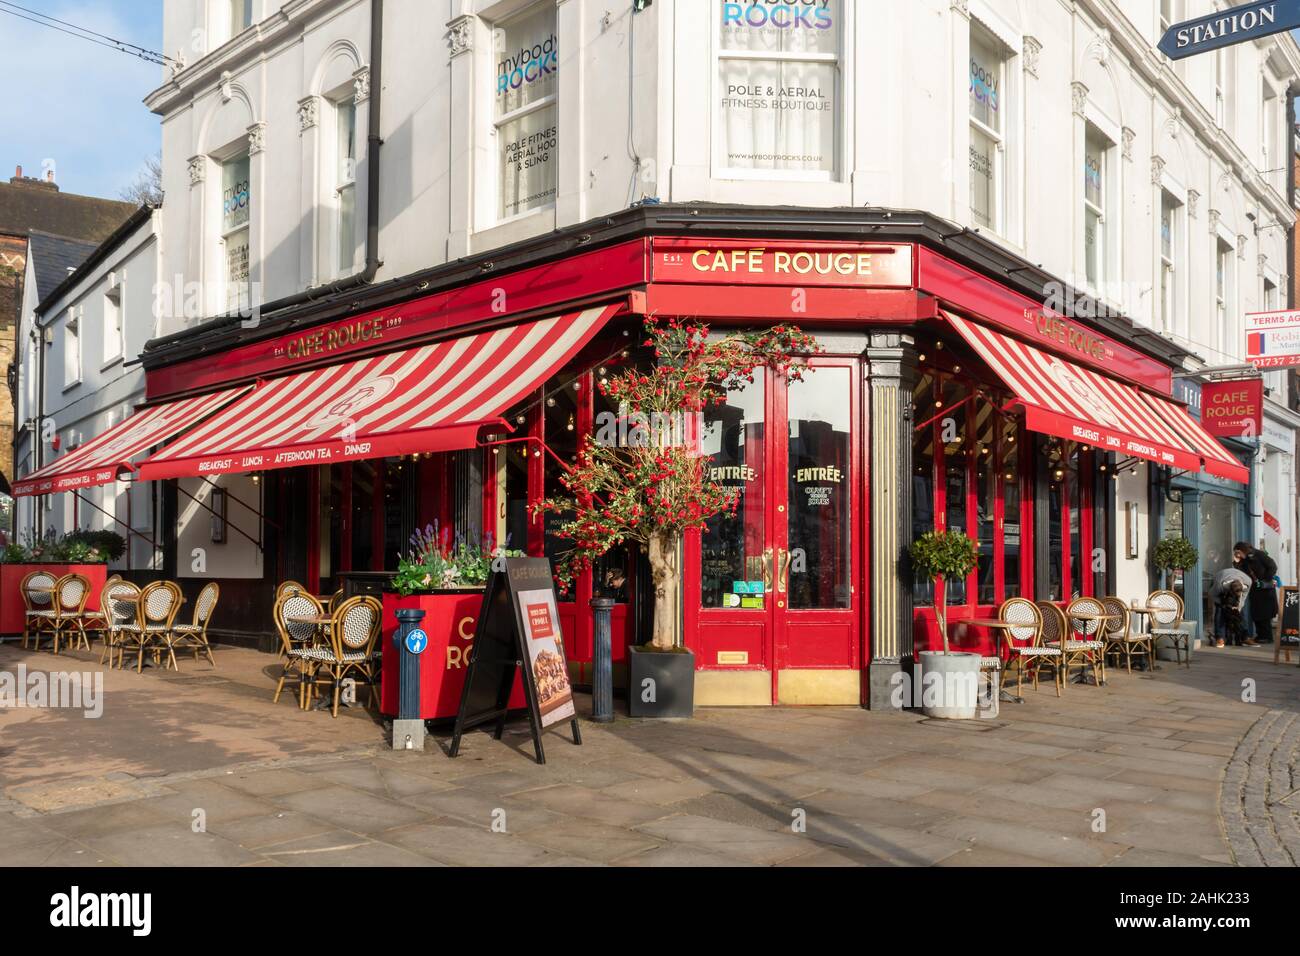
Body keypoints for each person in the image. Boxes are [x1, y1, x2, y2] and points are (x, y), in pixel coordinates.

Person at [1234, 542, 1277, 647]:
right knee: (1256, 613)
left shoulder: (1259, 554)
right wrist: (1236, 561)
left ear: (1243, 549)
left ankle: (1267, 637)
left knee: (1264, 614)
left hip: (1265, 589)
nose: (1237, 554)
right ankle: (1260, 636)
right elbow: (1238, 572)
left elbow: (1272, 566)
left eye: (1238, 552)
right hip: (1254, 590)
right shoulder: (1244, 560)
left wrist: (1264, 579)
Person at [1210, 564, 1252, 647]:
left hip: (1239, 577)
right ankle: (1220, 637)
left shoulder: (1248, 582)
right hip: (1221, 577)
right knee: (1220, 611)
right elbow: (1212, 595)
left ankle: (1245, 636)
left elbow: (1243, 598)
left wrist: (1238, 608)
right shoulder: (1220, 586)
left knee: (1243, 611)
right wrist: (1224, 604)